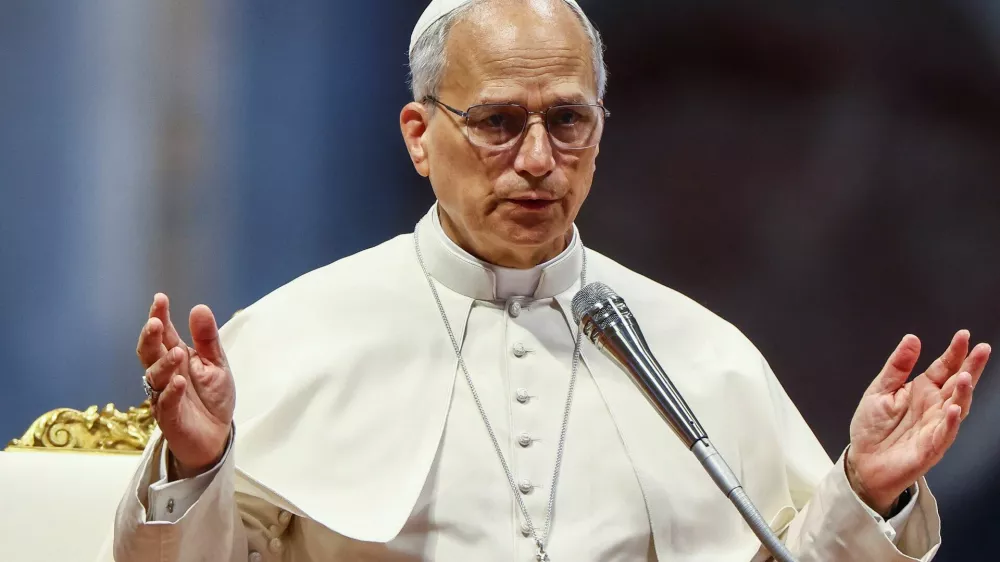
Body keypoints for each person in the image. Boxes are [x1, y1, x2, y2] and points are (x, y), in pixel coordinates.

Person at [109, 0, 992, 560]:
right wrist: (198, 464)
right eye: (496, 121)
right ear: (420, 134)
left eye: (567, 120)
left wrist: (865, 490)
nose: (538, 160)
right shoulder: (302, 333)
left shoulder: (697, 351)